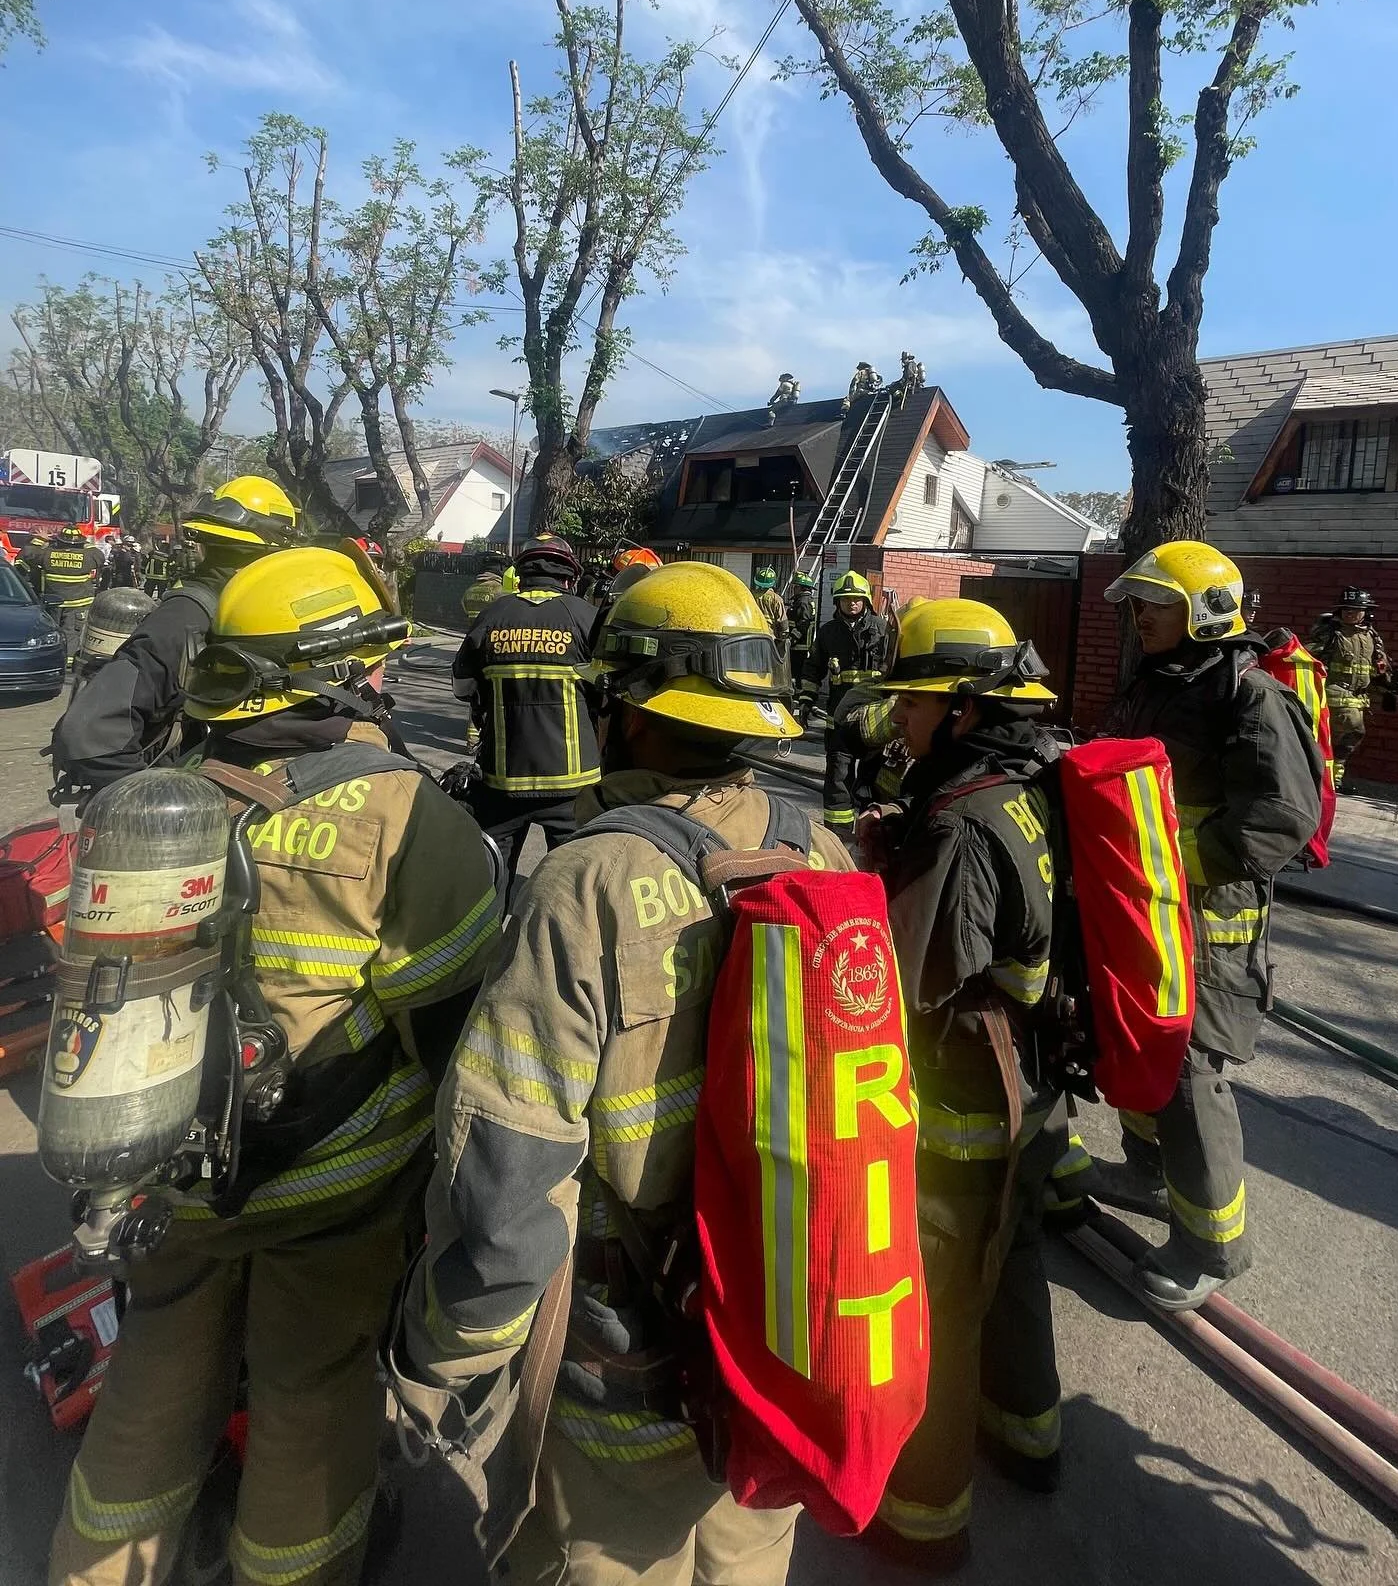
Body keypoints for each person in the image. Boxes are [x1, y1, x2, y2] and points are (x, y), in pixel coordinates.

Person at [49, 545, 502, 1586]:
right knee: (311, 1403)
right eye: (371, 660)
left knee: (152, 1389)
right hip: (331, 1199)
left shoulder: (163, 796)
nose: (382, 676)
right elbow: (454, 1036)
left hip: (169, 1178)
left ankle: (91, 1567)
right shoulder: (402, 815)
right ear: (330, 674)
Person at [402, 561, 852, 1585]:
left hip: (634, 1338)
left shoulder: (587, 883)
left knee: (611, 1553)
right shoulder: (823, 852)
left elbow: (509, 1165)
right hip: (781, 1314)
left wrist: (446, 1348)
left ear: (632, 712)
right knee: (747, 1543)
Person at [859, 599, 1066, 1570]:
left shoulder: (959, 824)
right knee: (1014, 1262)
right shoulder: (1026, 780)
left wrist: (880, 877)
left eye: (914, 703)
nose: (899, 718)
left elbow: (907, 983)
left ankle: (923, 1517)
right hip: (1035, 1091)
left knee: (936, 1302)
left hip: (964, 1107)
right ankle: (1030, 1440)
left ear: (966, 710)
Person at [1069, 542, 1321, 1308]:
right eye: (1139, 604)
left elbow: (1282, 817)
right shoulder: (1157, 681)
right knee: (1138, 1040)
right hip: (1145, 908)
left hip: (1208, 921)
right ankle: (1149, 1175)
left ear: (1204, 610)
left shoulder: (1249, 697)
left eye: (1157, 604)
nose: (1140, 617)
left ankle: (1212, 1246)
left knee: (1188, 1069)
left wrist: (1164, 861)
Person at [50, 477, 298, 795]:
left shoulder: (252, 610)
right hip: (192, 797)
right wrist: (159, 806)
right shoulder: (188, 617)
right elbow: (89, 735)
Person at [450, 532, 599, 873]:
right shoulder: (586, 617)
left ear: (520, 575)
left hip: (502, 783)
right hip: (573, 787)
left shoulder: (493, 614)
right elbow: (609, 692)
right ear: (569, 578)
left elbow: (461, 687)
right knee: (569, 883)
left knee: (492, 880)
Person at [796, 568, 890, 835]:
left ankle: (872, 831)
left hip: (875, 715)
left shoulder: (883, 630)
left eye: (857, 598)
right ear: (838, 601)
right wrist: (806, 700)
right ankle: (838, 833)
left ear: (866, 600)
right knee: (838, 775)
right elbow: (813, 669)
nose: (852, 603)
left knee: (873, 777)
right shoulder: (828, 632)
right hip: (839, 716)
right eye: (846, 599)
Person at [1306, 587, 1393, 790]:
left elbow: (1378, 666)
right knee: (1351, 729)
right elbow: (1309, 655)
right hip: (1335, 695)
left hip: (1358, 698)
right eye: (1345, 609)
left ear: (1366, 612)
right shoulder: (1331, 634)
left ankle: (1333, 779)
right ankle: (1324, 778)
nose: (1349, 613)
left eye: (1355, 610)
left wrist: (1388, 685)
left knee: (1344, 739)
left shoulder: (1371, 636)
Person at [38, 524, 107, 667]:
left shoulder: (47, 553)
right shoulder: (88, 556)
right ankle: (68, 662)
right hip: (78, 603)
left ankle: (48, 660)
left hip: (53, 602)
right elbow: (100, 556)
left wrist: (39, 540)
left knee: (50, 631)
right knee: (71, 632)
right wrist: (86, 543)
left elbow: (28, 554)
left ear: (59, 540)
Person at [786, 569, 818, 682]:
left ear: (801, 588)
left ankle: (797, 691)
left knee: (796, 673)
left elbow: (803, 624)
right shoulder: (805, 600)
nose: (794, 589)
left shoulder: (803, 602)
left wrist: (792, 639)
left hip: (799, 645)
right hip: (801, 644)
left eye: (796, 586)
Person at [750, 564, 789, 651]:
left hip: (752, 637)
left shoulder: (750, 596)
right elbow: (783, 624)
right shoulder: (777, 599)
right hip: (769, 639)